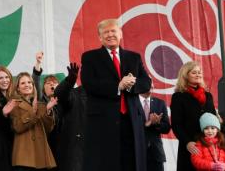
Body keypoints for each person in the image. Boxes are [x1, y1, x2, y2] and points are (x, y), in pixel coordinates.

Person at [80, 18, 151, 171]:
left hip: (131, 120)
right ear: (100, 37)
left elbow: (146, 82)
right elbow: (89, 84)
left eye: (113, 31)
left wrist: (131, 85)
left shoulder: (134, 57)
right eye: (106, 32)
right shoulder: (90, 57)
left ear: (120, 34)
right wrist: (117, 86)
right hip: (103, 121)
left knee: (132, 163)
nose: (110, 34)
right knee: (106, 163)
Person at [171, 61, 218, 171]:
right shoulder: (178, 97)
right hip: (191, 147)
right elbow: (176, 124)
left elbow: (214, 120)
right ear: (185, 75)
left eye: (199, 72)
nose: (198, 75)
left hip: (208, 146)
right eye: (194, 73)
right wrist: (187, 142)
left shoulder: (208, 96)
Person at [10, 72, 58, 170]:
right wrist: (33, 111)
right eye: (23, 83)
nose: (27, 85)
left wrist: (48, 110)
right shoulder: (14, 104)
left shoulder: (40, 104)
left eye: (29, 82)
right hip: (24, 158)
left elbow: (48, 129)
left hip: (41, 155)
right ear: (18, 88)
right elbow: (17, 127)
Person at [54, 62, 87, 171]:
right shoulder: (74, 94)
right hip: (78, 157)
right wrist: (69, 81)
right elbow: (59, 94)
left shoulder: (105, 97)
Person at [139, 82, 171, 171]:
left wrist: (157, 123)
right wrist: (145, 124)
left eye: (151, 83)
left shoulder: (160, 103)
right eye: (147, 82)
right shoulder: (132, 103)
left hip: (156, 154)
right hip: (136, 153)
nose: (151, 85)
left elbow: (167, 128)